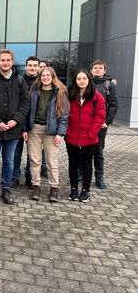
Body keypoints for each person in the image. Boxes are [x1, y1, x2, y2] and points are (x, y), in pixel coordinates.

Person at [0, 49, 30, 205]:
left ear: (12, 61)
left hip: (13, 130)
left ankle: (6, 188)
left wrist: (16, 120)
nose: (5, 63)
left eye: (8, 60)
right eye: (2, 60)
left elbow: (25, 104)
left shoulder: (20, 81)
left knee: (9, 161)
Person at [24, 67, 69, 202]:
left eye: (48, 75)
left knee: (51, 161)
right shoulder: (33, 91)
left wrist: (60, 133)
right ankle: (36, 186)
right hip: (34, 129)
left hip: (52, 131)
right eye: (43, 75)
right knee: (35, 160)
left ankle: (53, 188)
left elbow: (64, 115)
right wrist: (24, 129)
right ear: (40, 77)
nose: (45, 77)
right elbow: (26, 111)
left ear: (52, 76)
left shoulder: (60, 92)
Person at [65, 69, 106, 203]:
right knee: (73, 163)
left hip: (90, 138)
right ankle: (74, 188)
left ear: (89, 80)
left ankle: (85, 190)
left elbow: (100, 116)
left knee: (87, 165)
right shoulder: (70, 95)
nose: (81, 81)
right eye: (78, 79)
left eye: (84, 78)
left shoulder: (96, 96)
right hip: (72, 137)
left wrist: (92, 133)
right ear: (75, 81)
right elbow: (64, 113)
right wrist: (67, 131)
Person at [90, 60, 118, 189]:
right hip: (86, 123)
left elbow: (113, 105)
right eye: (95, 68)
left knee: (98, 151)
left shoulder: (109, 85)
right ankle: (81, 174)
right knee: (82, 150)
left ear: (104, 70)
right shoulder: (86, 82)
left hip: (101, 125)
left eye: (100, 68)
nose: (97, 70)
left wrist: (106, 122)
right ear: (91, 70)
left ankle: (99, 176)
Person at [12, 56, 39, 188]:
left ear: (38, 67)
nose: (32, 67)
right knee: (16, 152)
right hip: (18, 122)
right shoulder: (19, 80)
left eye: (35, 65)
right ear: (26, 66)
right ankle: (15, 176)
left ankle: (30, 176)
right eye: (30, 65)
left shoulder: (42, 82)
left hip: (34, 123)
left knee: (32, 154)